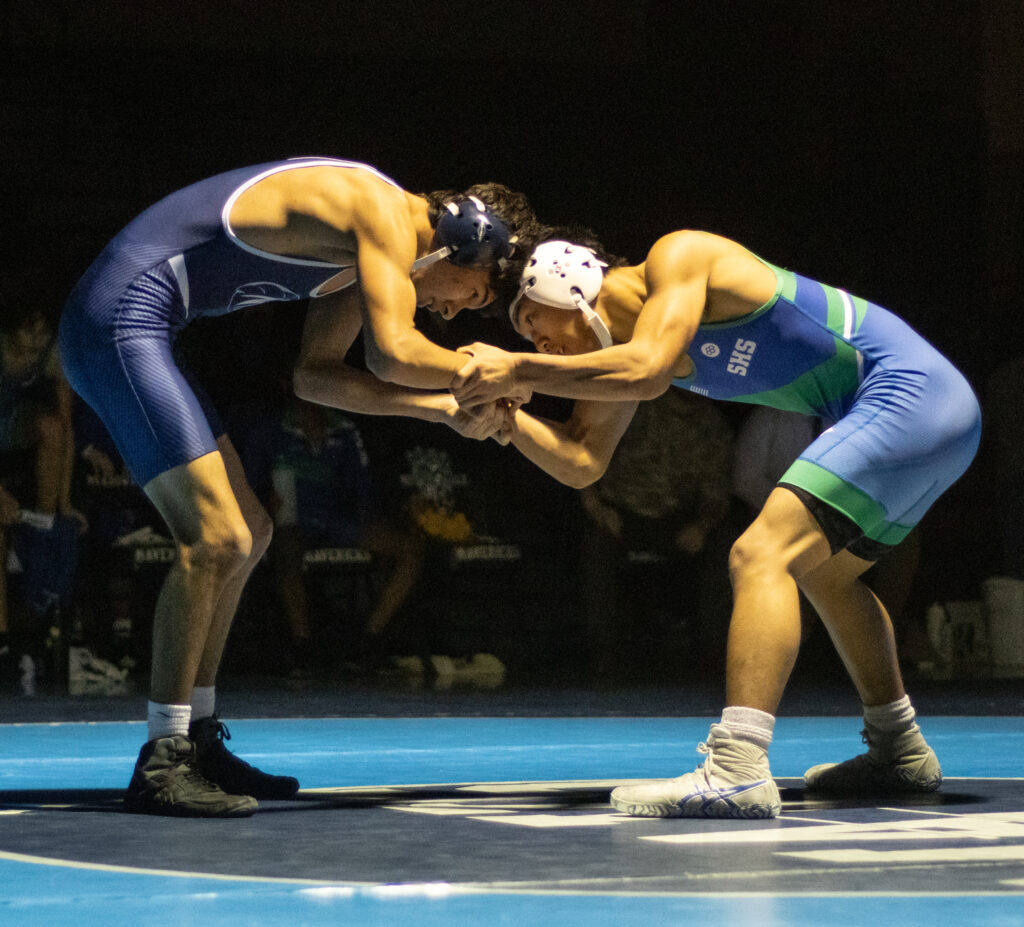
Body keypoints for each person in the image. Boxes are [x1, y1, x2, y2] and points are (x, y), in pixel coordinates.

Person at [59, 157, 538, 817]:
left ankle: (198, 738)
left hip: (143, 327)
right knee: (217, 537)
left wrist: (442, 409)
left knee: (251, 532)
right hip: (117, 320)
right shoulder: (377, 208)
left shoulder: (374, 254)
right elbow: (394, 353)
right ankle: (162, 757)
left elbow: (316, 377)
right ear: (463, 241)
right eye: (472, 295)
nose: (452, 314)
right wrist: (508, 371)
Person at [452, 231, 981, 819]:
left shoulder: (679, 256)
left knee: (760, 555)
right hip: (935, 416)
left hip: (909, 394)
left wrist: (516, 369)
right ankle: (899, 749)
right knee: (826, 575)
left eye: (532, 322)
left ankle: (737, 769)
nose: (538, 344)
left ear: (566, 281)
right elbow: (582, 462)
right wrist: (506, 418)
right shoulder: (633, 349)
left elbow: (647, 370)